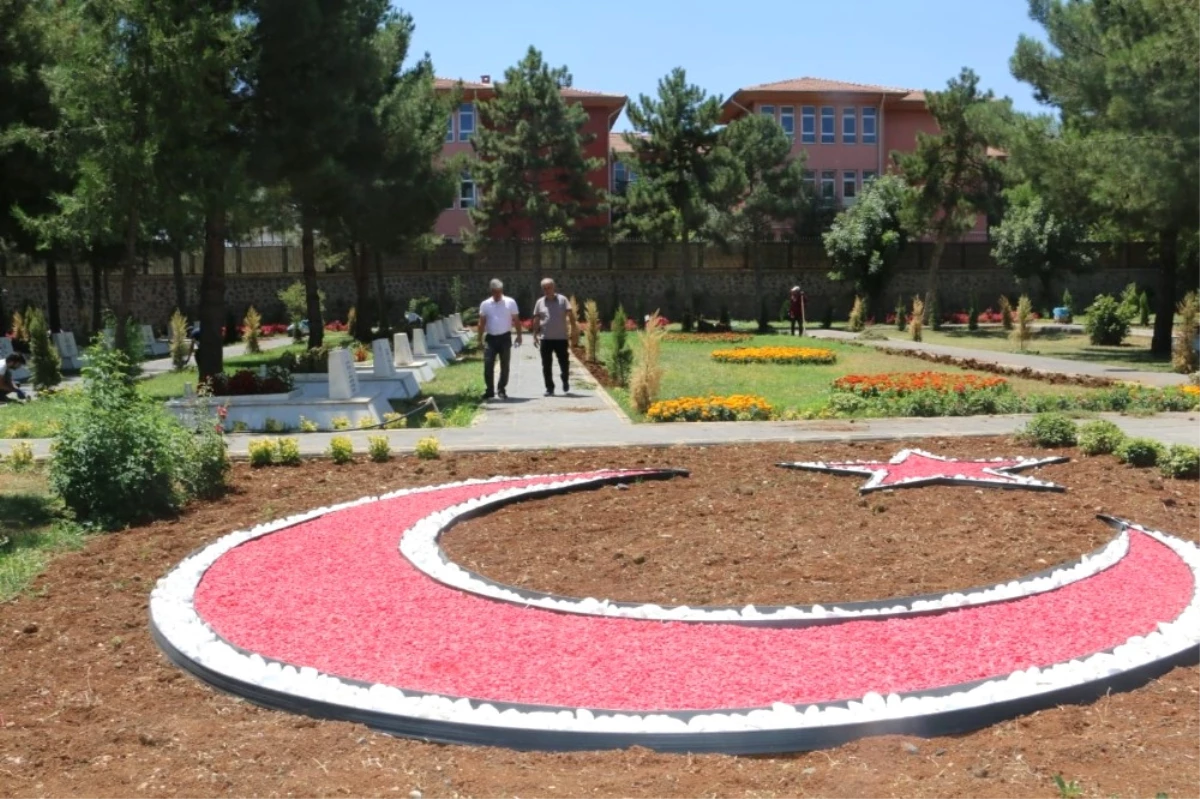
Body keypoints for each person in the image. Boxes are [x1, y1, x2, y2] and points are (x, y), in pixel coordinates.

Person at [477, 278, 522, 400]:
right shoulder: (485, 304)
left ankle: (501, 389)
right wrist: (479, 339)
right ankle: (490, 390)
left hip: (505, 338)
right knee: (488, 364)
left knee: (505, 365)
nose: (497, 294)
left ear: (502, 290)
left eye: (499, 291)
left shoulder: (510, 302)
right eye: (495, 292)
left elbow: (516, 320)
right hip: (490, 339)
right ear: (491, 291)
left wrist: (519, 335)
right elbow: (481, 323)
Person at [531, 278, 575, 396]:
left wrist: (574, 330)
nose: (547, 290)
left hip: (561, 338)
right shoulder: (540, 302)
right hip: (545, 339)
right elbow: (536, 319)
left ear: (553, 287)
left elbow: (571, 315)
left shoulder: (563, 300)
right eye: (544, 288)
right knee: (546, 364)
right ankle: (549, 388)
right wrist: (535, 335)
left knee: (564, 362)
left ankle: (564, 378)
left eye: (549, 287)